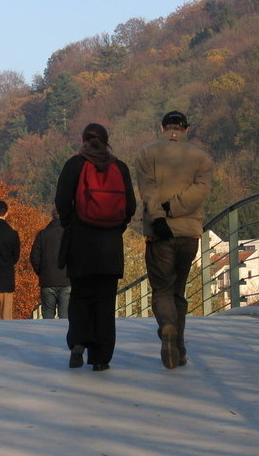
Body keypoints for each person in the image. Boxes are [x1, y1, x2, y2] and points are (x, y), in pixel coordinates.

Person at [55, 123, 136, 371]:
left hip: (80, 243)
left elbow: (61, 201)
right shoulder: (119, 167)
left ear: (83, 139)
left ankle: (78, 342)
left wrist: (73, 224)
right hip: (110, 246)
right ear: (106, 140)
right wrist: (115, 227)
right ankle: (101, 358)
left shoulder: (74, 165)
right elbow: (130, 207)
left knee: (80, 296)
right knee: (104, 301)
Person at [134, 110, 212, 369]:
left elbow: (148, 189)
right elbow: (200, 190)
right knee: (178, 290)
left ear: (162, 127)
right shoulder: (200, 158)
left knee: (162, 290)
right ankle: (178, 347)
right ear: (186, 129)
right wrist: (175, 208)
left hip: (159, 235)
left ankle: (167, 326)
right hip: (188, 233)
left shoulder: (146, 153)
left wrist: (159, 216)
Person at [30, 208, 71, 318]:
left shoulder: (42, 234)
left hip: (47, 280)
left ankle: (47, 334)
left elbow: (34, 257)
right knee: (65, 316)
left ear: (52, 216)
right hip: (66, 280)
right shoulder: (70, 234)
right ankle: (63, 335)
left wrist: (41, 272)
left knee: (47, 315)